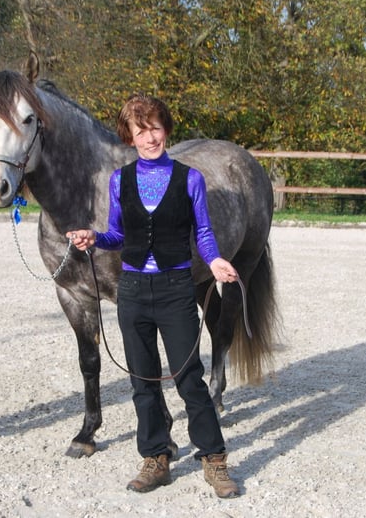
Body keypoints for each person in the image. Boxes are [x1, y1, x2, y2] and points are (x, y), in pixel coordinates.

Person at [66, 94, 240, 498]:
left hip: (176, 288)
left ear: (166, 131)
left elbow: (204, 233)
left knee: (188, 378)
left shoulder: (189, 179)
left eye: (156, 128)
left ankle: (214, 459)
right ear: (129, 135)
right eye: (141, 130)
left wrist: (213, 262)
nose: (150, 137)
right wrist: (94, 238)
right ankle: (155, 457)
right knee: (142, 381)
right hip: (133, 291)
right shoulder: (119, 180)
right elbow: (118, 234)